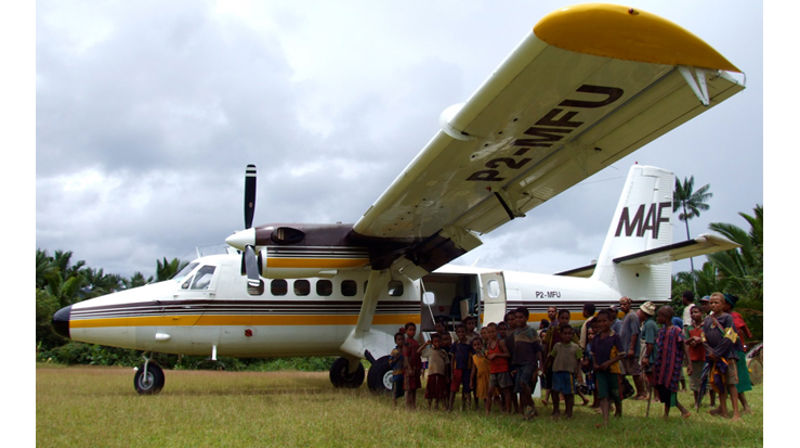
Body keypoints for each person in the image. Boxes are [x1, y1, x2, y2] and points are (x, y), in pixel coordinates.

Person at [702, 292, 741, 421]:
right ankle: (723, 410)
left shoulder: (727, 318)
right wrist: (710, 351)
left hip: (727, 356)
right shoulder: (707, 320)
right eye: (711, 303)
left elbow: (730, 336)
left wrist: (718, 352)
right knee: (719, 384)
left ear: (723, 304)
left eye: (716, 303)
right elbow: (703, 338)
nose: (713, 305)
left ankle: (736, 413)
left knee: (731, 383)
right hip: (713, 357)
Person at [652, 305, 692, 419]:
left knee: (669, 389)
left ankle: (680, 411)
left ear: (666, 317)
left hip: (672, 366)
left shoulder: (676, 330)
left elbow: (684, 346)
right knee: (663, 389)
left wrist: (689, 363)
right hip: (661, 365)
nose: (657, 318)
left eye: (659, 316)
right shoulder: (661, 331)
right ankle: (668, 413)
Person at [590, 309, 625, 427]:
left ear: (610, 321)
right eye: (599, 322)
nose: (602, 324)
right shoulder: (596, 338)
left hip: (613, 370)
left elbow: (621, 354)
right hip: (600, 370)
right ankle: (605, 420)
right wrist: (595, 364)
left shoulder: (615, 337)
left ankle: (619, 410)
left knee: (615, 393)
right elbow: (593, 353)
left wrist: (609, 363)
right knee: (603, 395)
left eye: (605, 321)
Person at [506, 307, 542, 420]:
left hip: (529, 362)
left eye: (521, 317)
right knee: (520, 389)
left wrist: (539, 366)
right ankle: (525, 411)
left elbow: (538, 349)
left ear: (526, 318)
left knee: (523, 383)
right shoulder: (515, 333)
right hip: (518, 363)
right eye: (516, 317)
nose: (518, 320)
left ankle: (531, 405)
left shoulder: (531, 331)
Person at [723, 294, 753, 414]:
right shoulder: (722, 317)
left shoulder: (733, 317)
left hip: (735, 352)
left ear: (728, 305)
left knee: (736, 381)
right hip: (727, 352)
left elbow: (737, 333)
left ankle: (745, 406)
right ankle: (724, 407)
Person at [549, 324, 583, 419]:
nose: (567, 336)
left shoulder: (576, 347)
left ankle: (569, 412)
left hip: (569, 373)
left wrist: (579, 372)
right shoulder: (557, 346)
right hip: (557, 371)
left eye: (569, 334)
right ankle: (556, 410)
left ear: (572, 335)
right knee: (555, 391)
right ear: (561, 334)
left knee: (569, 393)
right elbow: (551, 357)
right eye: (565, 333)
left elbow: (579, 360)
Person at [618, 296, 647, 400]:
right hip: (624, 350)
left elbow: (635, 333)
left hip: (631, 350)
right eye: (621, 304)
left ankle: (642, 393)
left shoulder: (633, 316)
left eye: (625, 304)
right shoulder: (625, 316)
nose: (622, 306)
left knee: (635, 372)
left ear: (629, 304)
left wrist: (631, 348)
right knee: (624, 372)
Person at [486, 323, 513, 414]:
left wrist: (496, 355)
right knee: (490, 391)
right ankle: (487, 411)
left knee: (505, 390)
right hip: (493, 370)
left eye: (493, 332)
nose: (491, 334)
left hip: (502, 369)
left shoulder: (500, 342)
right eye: (489, 332)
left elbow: (508, 354)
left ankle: (508, 410)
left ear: (496, 331)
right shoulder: (488, 343)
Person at [684, 305, 706, 410]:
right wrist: (692, 339)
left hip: (705, 356)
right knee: (694, 381)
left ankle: (712, 401)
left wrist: (700, 340)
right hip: (693, 357)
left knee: (707, 380)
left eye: (696, 312)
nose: (694, 315)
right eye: (692, 313)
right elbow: (685, 342)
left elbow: (709, 338)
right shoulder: (689, 328)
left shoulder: (706, 326)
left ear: (702, 313)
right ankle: (697, 402)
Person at [420, 333, 448, 410]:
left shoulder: (443, 352)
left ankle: (437, 405)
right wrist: (425, 344)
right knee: (430, 390)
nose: (437, 343)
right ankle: (429, 406)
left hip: (441, 374)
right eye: (435, 342)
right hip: (431, 373)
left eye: (439, 342)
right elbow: (418, 351)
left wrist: (447, 374)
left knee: (440, 390)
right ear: (432, 343)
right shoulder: (429, 351)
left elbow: (446, 363)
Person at [449, 324, 473, 411]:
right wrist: (452, 371)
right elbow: (452, 359)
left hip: (467, 368)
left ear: (466, 332)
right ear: (456, 333)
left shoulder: (469, 344)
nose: (461, 334)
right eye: (459, 332)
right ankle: (450, 407)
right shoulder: (455, 344)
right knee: (453, 389)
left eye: (463, 332)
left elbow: (472, 358)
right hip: (457, 369)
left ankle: (466, 407)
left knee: (466, 389)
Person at [638, 301, 658, 398]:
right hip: (646, 352)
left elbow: (650, 343)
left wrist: (646, 356)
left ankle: (655, 396)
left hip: (650, 354)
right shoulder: (646, 324)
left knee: (650, 375)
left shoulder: (649, 324)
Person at [402, 322, 422, 410]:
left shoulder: (415, 342)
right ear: (406, 331)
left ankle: (413, 404)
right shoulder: (406, 343)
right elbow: (405, 357)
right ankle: (407, 405)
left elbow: (418, 354)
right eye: (410, 330)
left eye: (414, 330)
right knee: (408, 388)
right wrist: (409, 368)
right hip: (409, 368)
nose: (412, 332)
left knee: (414, 388)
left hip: (416, 367)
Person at [470, 337, 491, 415]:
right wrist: (471, 380)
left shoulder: (486, 353)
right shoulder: (474, 357)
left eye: (479, 344)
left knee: (493, 392)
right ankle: (487, 409)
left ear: (482, 345)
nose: (477, 346)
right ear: (473, 347)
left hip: (489, 376)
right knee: (485, 394)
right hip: (481, 378)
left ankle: (501, 407)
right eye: (475, 345)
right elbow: (473, 369)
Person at [390, 332, 405, 407]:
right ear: (396, 341)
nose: (401, 341)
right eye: (399, 340)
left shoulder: (405, 350)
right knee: (395, 390)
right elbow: (390, 363)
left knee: (403, 390)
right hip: (396, 373)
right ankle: (394, 404)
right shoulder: (394, 351)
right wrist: (396, 358)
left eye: (402, 339)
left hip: (404, 373)